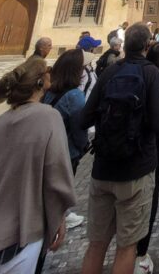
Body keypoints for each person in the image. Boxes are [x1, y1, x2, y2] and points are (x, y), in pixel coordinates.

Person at [0, 56, 75, 273]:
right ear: (40, 82)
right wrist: (58, 216)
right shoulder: (48, 117)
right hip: (17, 241)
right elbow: (56, 175)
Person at [80, 23, 159, 274]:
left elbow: (84, 119)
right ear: (147, 45)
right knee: (127, 246)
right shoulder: (152, 74)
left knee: (96, 245)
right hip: (135, 172)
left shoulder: (109, 72)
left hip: (103, 169)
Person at [134, 42, 159, 274]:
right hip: (151, 151)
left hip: (116, 160)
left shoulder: (116, 72)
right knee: (149, 195)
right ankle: (140, 254)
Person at [43, 48, 88, 230]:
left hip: (48, 148)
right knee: (61, 183)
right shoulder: (74, 95)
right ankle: (59, 219)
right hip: (67, 149)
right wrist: (82, 145)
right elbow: (79, 126)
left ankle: (55, 217)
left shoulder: (48, 91)